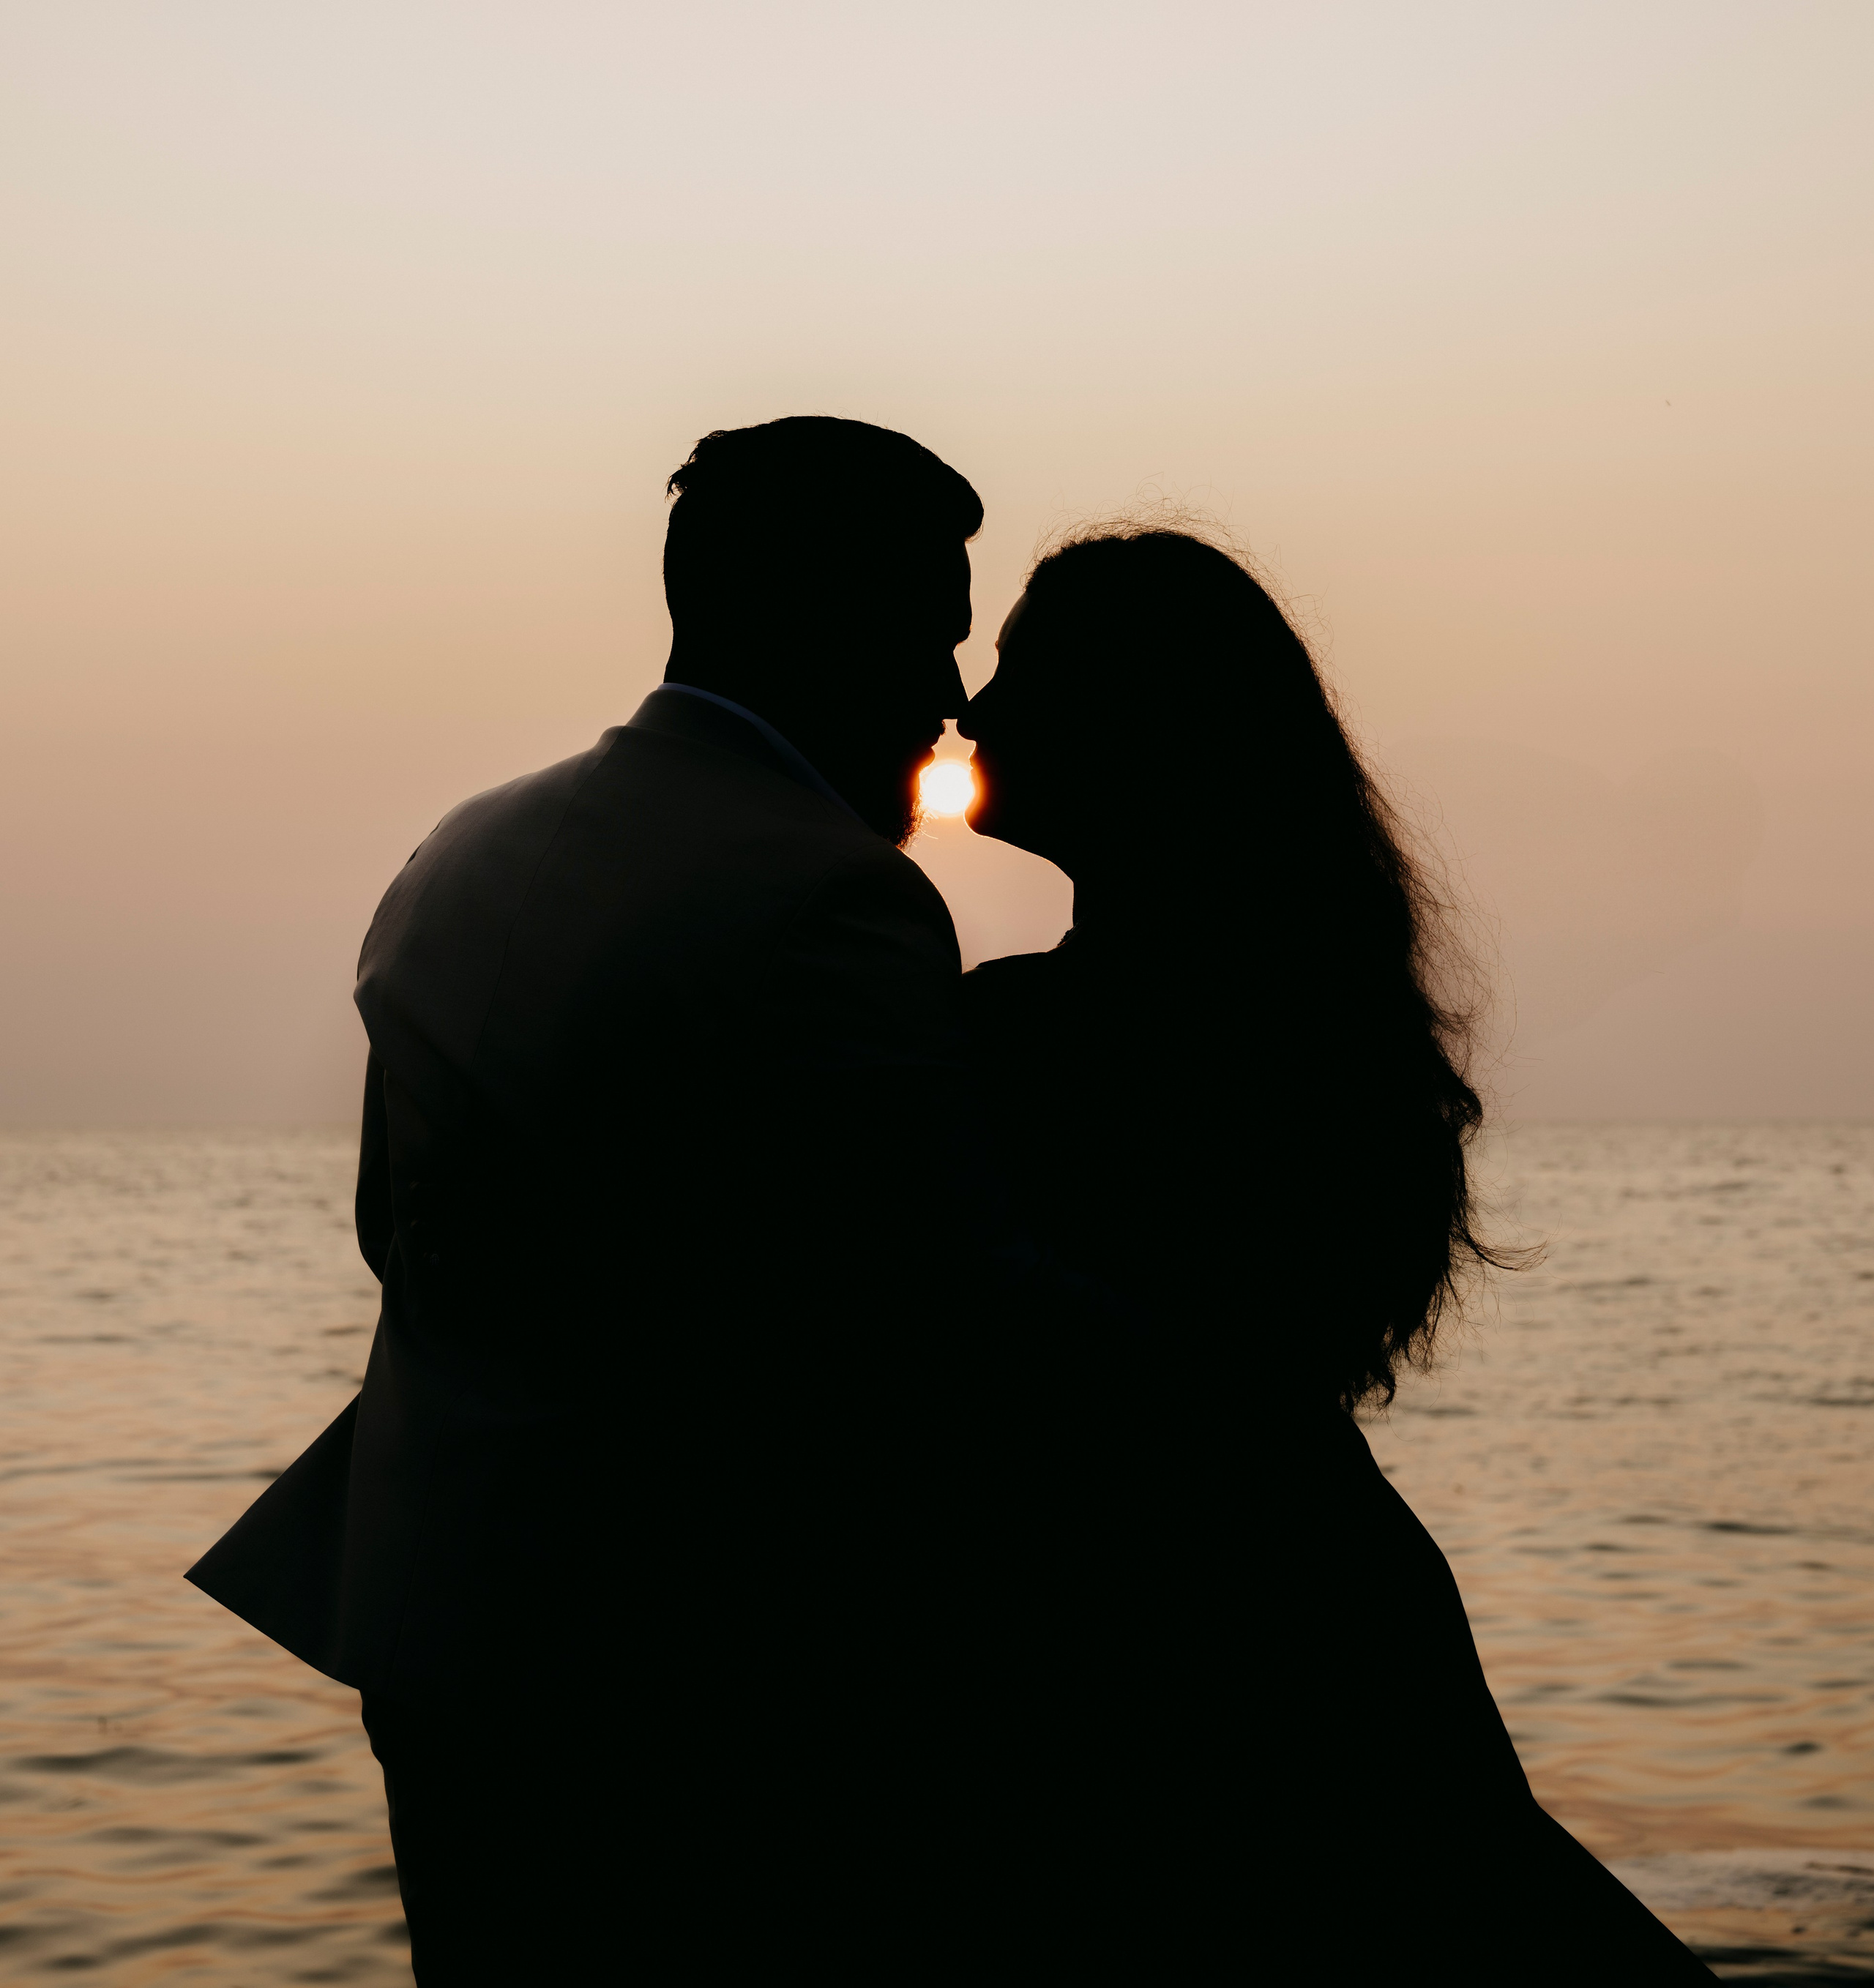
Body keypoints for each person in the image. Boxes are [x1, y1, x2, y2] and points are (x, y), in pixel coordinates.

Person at [187, 417, 1020, 1980]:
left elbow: (396, 1230)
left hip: (436, 1629)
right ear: (821, 620)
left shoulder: (460, 850)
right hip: (700, 1672)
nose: (952, 693)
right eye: (931, 631)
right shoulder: (831, 894)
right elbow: (919, 1309)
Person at [957, 525, 1716, 1981]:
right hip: (1312, 1586)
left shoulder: (1027, 1042)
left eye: (1017, 672)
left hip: (1182, 1645)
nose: (974, 710)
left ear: (1132, 727)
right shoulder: (1293, 1019)